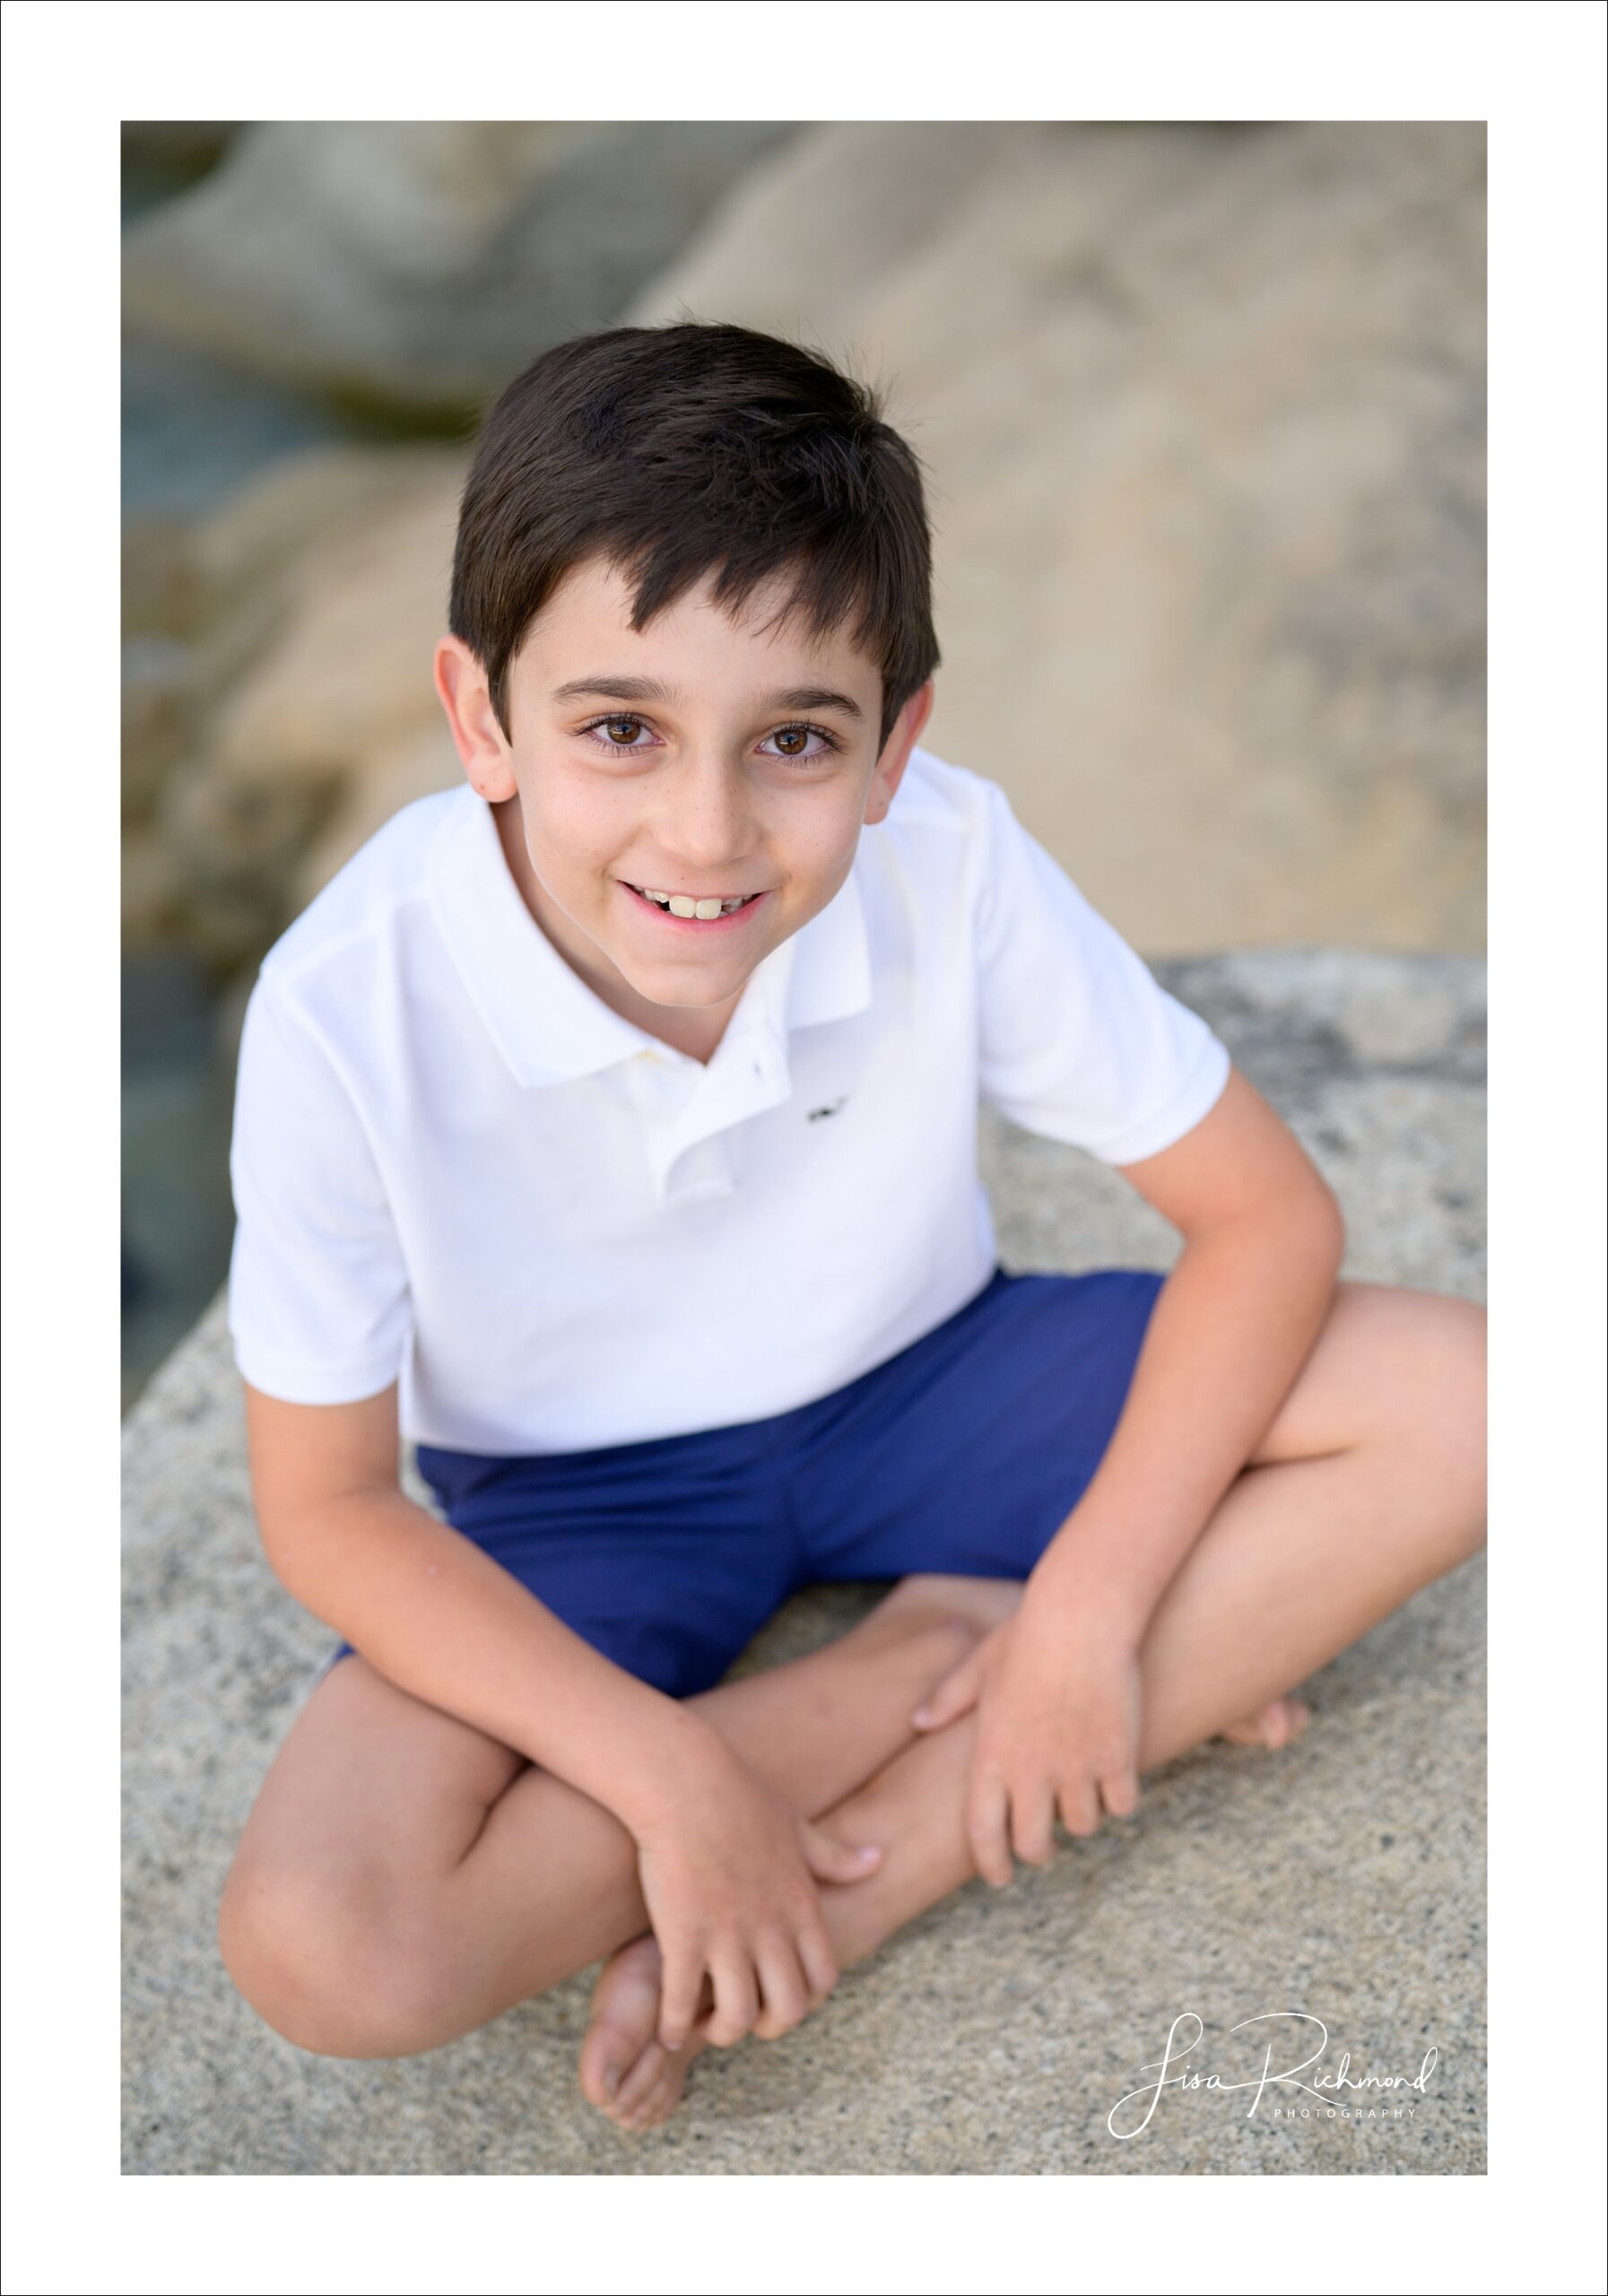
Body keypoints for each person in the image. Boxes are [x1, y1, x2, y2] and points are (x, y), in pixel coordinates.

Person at [216, 320, 1486, 2134]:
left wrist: (1084, 1616)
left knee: (1478, 1397)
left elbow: (1266, 1217)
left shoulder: (946, 858)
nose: (707, 828)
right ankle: (914, 1653)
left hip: (930, 1381)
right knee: (329, 1944)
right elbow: (326, 1506)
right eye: (620, 728)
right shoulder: (351, 1000)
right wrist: (674, 1782)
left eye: (796, 738)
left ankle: (898, 1843)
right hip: (580, 1494)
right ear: (479, 716)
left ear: (896, 745)